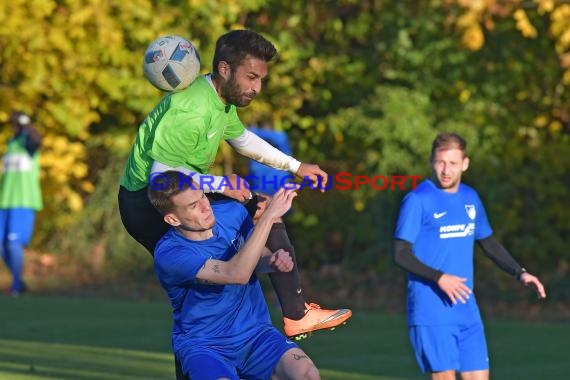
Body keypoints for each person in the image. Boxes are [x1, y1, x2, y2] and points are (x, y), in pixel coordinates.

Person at [118, 29, 351, 341]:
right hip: (148, 202)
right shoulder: (191, 111)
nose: (257, 88)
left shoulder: (219, 101)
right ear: (224, 69)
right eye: (251, 77)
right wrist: (219, 184)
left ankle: (293, 315)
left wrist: (297, 167)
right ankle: (294, 315)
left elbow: (244, 141)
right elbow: (161, 177)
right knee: (216, 275)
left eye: (261, 79)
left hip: (178, 191)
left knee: (240, 247)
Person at [393, 132, 546, 380]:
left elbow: (488, 242)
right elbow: (400, 254)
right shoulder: (418, 200)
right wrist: (439, 277)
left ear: (465, 163)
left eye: (452, 163)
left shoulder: (470, 198)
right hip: (432, 310)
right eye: (440, 162)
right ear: (431, 161)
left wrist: (520, 273)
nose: (445, 170)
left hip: (467, 308)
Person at [148, 171, 320, 380]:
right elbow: (236, 274)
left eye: (202, 196)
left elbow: (255, 255)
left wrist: (271, 260)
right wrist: (268, 216)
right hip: (205, 346)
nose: (205, 207)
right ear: (172, 218)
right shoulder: (170, 254)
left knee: (307, 374)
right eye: (193, 206)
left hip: (256, 334)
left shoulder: (232, 213)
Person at [0, 112, 43, 296]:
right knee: (2, 245)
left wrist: (26, 125)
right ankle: (19, 281)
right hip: (5, 200)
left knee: (13, 242)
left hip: (23, 200)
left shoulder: (29, 142)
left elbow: (36, 141)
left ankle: (16, 286)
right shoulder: (11, 144)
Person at [247, 121, 294, 196]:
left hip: (280, 195)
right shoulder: (255, 153)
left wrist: (254, 131)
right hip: (259, 196)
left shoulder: (281, 147)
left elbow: (280, 137)